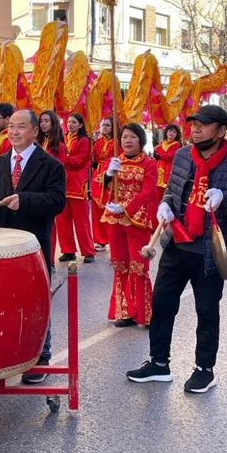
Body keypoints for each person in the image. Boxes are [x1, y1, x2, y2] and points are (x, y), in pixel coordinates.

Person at [127, 105, 227, 393]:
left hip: (210, 251)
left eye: (204, 125)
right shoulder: (184, 155)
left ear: (221, 131)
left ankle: (205, 369)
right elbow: (172, 191)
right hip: (178, 243)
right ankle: (159, 363)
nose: (195, 129)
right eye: (193, 123)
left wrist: (225, 197)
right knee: (162, 304)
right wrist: (166, 206)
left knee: (206, 310)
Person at [0, 110, 66, 383]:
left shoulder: (51, 166)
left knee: (37, 302)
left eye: (21, 127)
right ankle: (7, 353)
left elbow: (57, 201)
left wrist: (25, 200)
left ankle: (40, 356)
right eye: (12, 127)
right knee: (3, 302)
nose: (14, 131)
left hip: (33, 245)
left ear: (34, 132)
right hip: (1, 246)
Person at [100, 123, 157, 327]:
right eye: (124, 137)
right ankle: (125, 312)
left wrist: (126, 209)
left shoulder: (149, 164)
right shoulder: (114, 161)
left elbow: (149, 192)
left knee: (139, 267)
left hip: (137, 222)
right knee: (120, 265)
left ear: (141, 140)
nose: (128, 141)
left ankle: (144, 313)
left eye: (132, 137)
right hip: (114, 221)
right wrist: (108, 176)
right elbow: (100, 188)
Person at [56, 113, 95, 263]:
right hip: (62, 183)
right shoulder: (64, 139)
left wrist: (63, 157)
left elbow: (78, 161)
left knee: (82, 221)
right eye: (69, 122)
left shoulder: (84, 140)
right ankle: (68, 250)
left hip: (77, 184)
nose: (71, 124)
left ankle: (88, 252)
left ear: (80, 125)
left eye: (74, 122)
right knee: (62, 220)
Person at [37, 110, 66, 267]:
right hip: (36, 188)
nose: (43, 124)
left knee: (50, 226)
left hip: (49, 188)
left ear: (53, 123)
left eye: (46, 121)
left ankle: (49, 260)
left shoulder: (59, 146)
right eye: (41, 121)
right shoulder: (38, 143)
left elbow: (58, 168)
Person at [90, 117, 116, 252]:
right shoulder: (98, 141)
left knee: (109, 207)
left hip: (110, 176)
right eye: (103, 125)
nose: (104, 127)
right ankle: (99, 240)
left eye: (107, 125)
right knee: (96, 208)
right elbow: (94, 156)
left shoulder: (117, 142)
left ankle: (112, 238)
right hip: (97, 177)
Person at [154, 124, 182, 201]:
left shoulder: (177, 145)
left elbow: (169, 156)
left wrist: (158, 153)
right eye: (170, 131)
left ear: (177, 135)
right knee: (157, 195)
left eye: (174, 132)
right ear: (166, 132)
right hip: (158, 170)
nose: (171, 133)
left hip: (168, 170)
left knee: (166, 194)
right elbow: (157, 153)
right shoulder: (161, 144)